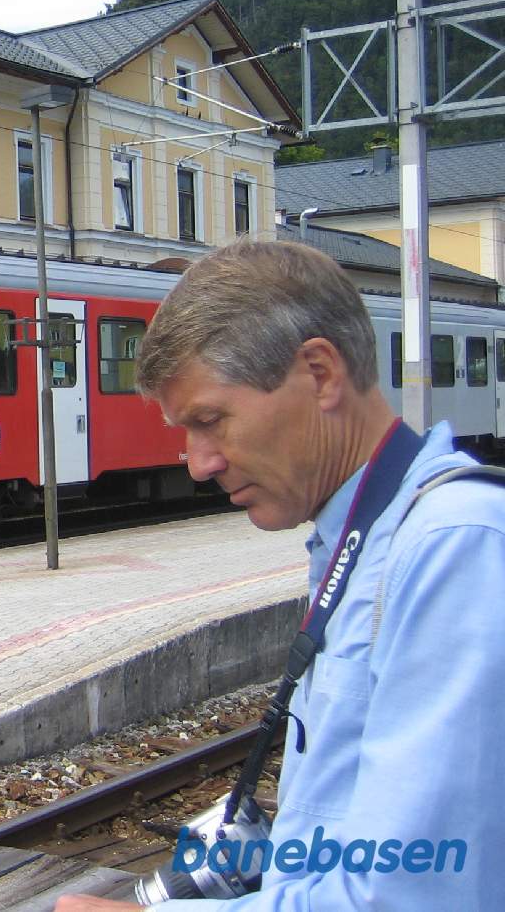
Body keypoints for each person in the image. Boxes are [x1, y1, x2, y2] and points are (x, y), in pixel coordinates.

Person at [56, 240, 505, 911]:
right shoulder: (367, 543)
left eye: (210, 421)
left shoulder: (454, 550)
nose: (197, 463)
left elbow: (416, 893)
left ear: (320, 373)